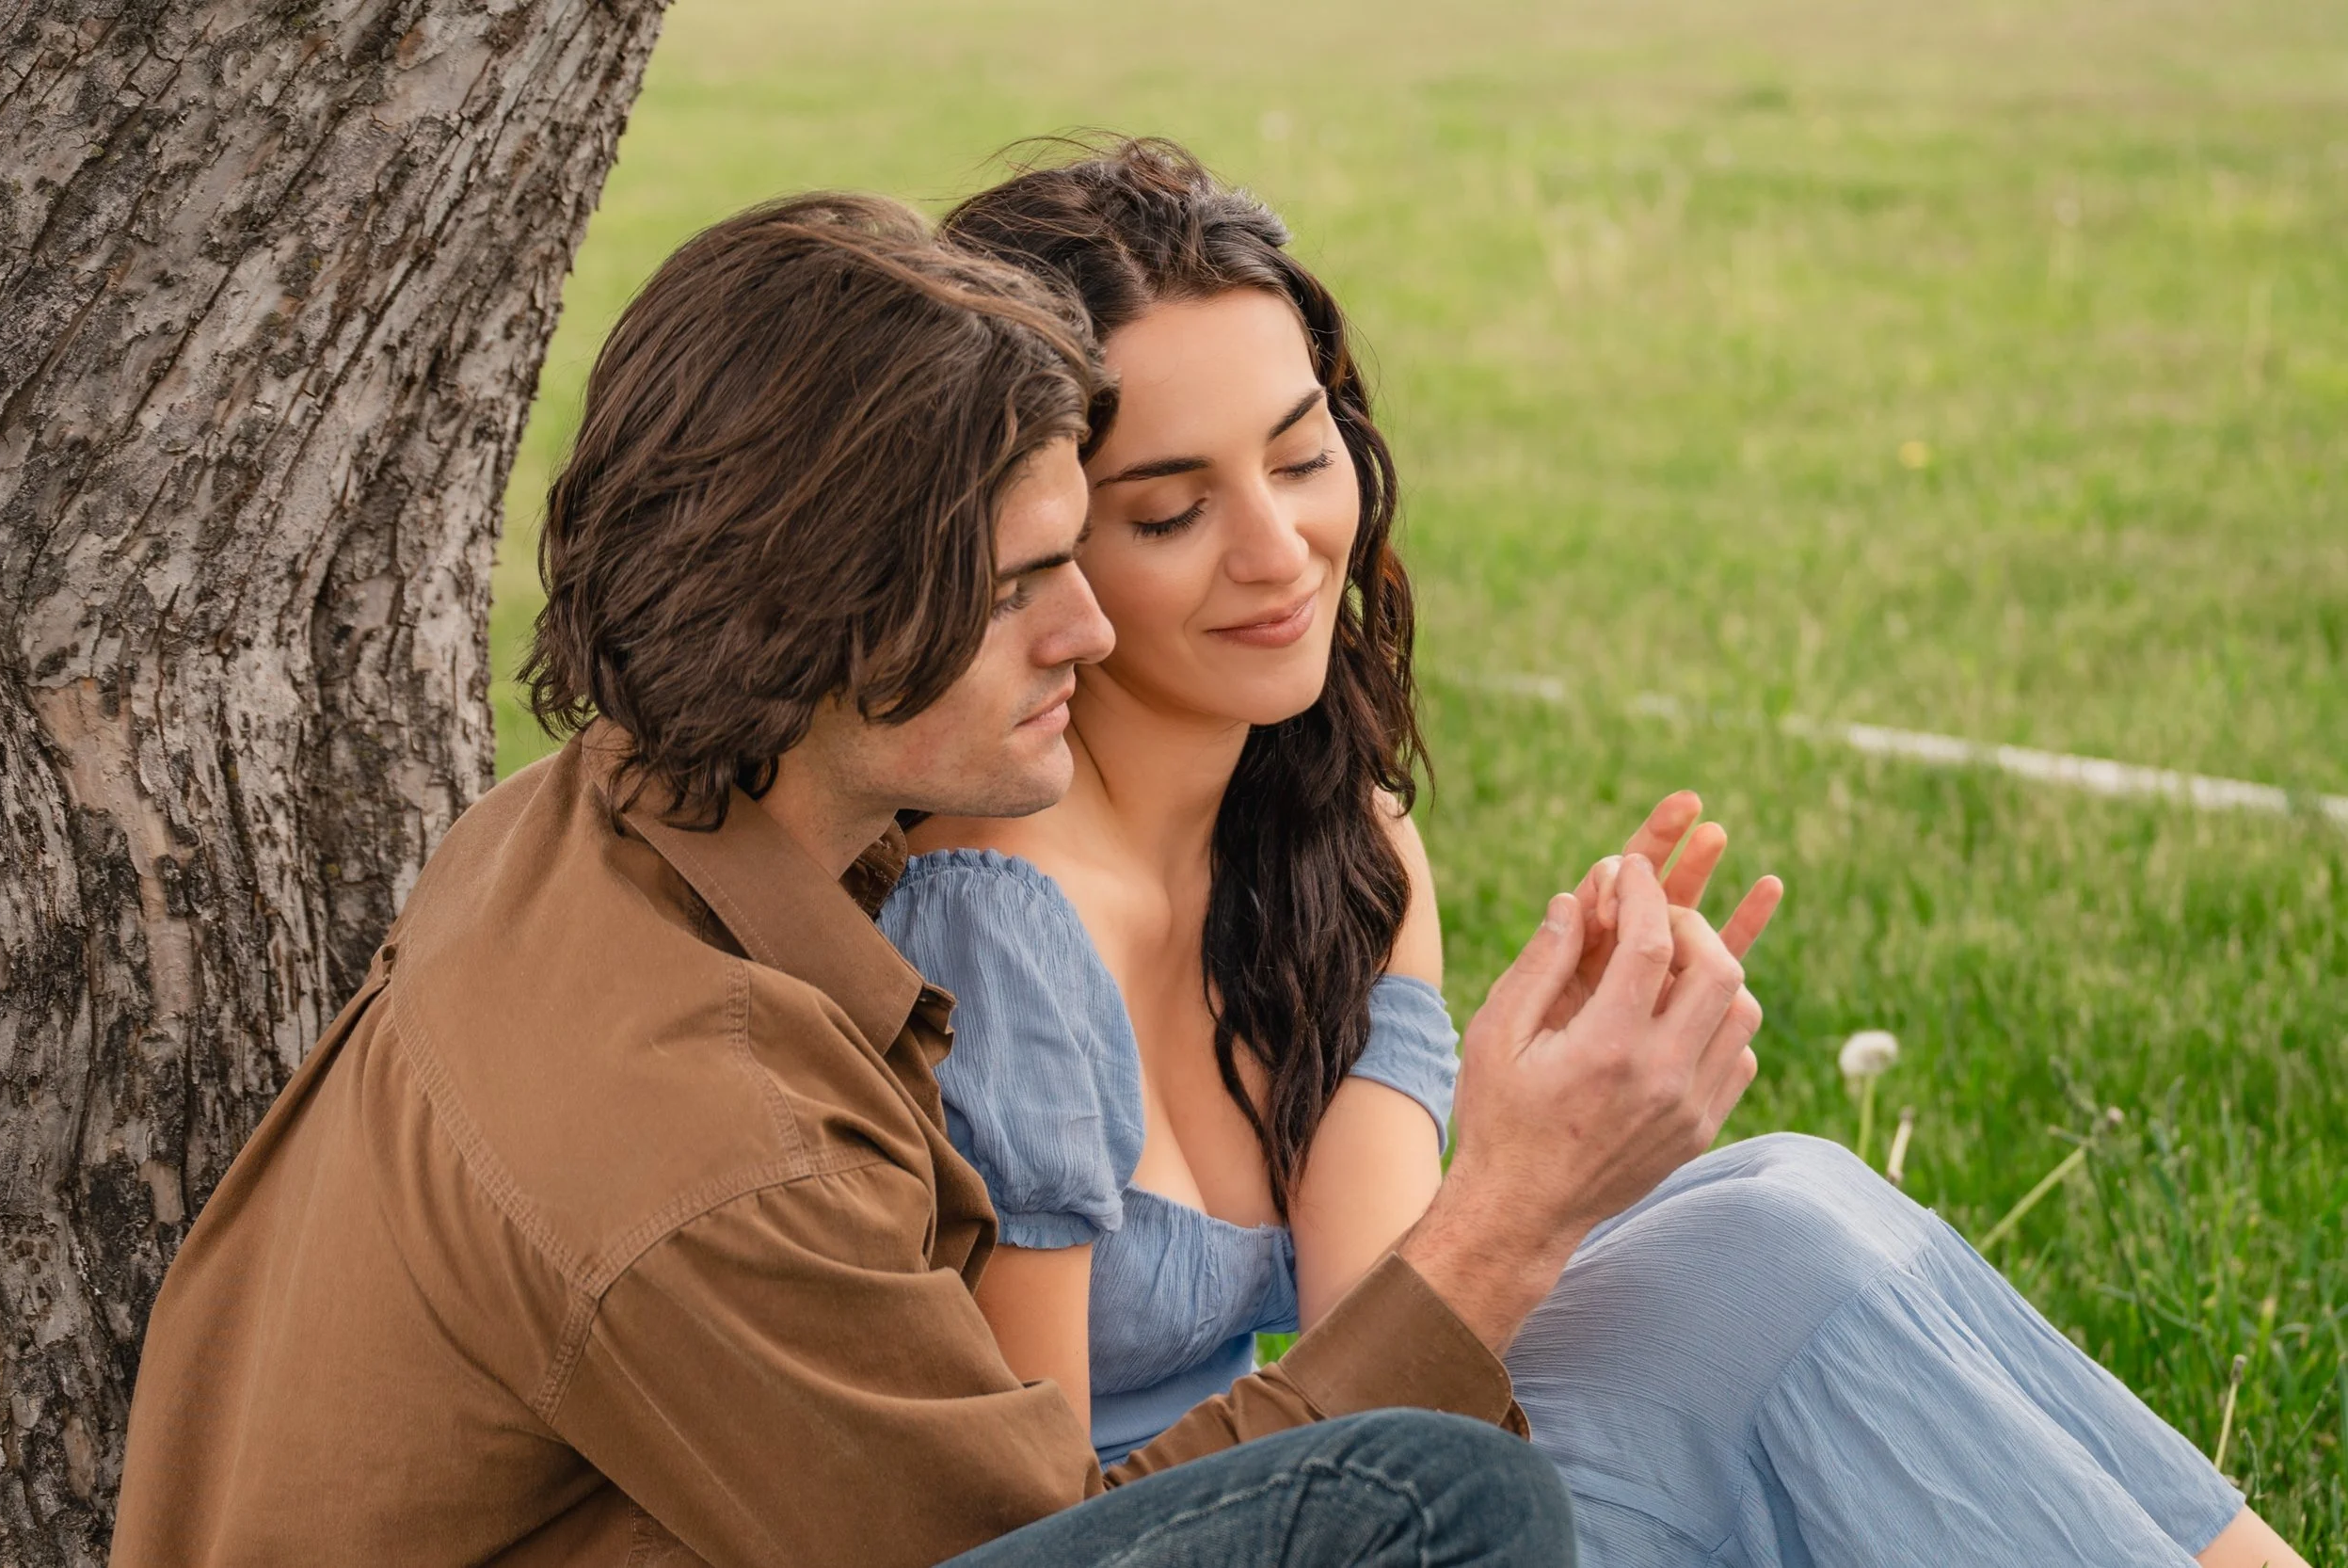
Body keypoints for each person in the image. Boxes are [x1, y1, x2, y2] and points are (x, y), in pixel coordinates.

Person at [109, 190, 1772, 1567]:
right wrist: (1511, 1214)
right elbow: (1061, 1540)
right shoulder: (708, 1141)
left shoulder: (613, 812)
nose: (1091, 630)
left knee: (1769, 1242)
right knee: (1441, 1502)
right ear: (811, 621)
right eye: (1021, 586)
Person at [879, 138, 2308, 1568]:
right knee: (1768, 1255)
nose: (1281, 548)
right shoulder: (997, 916)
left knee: (1781, 1207)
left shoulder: (1343, 846)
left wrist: (1546, 1120)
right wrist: (1524, 1187)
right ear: (1035, 544)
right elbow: (1056, 1534)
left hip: (1370, 1481)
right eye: (1172, 511)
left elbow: (1387, 1341)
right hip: (1185, 1535)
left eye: (1305, 457)